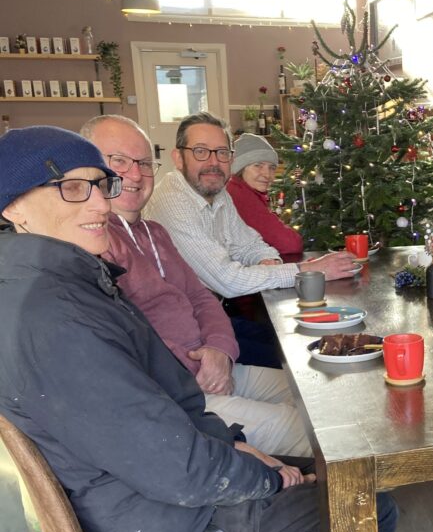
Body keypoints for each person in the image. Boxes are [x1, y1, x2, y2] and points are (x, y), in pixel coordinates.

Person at [0, 126, 397, 532]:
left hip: (136, 497)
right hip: (155, 528)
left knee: (312, 468)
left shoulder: (51, 282)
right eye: (72, 188)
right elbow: (175, 467)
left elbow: (162, 413)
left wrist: (233, 444)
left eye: (101, 185)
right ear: (13, 205)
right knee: (366, 505)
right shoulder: (55, 316)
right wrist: (260, 473)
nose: (102, 201)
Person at [81, 115, 311, 457]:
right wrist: (201, 366)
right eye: (118, 162)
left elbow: (201, 297)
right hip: (182, 392)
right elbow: (126, 342)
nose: (134, 174)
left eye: (143, 163)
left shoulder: (154, 232)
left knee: (313, 394)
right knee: (315, 431)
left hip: (213, 361)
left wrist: (220, 351)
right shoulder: (93, 244)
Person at [146, 111, 356, 298]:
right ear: (179, 159)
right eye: (200, 151)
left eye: (222, 153)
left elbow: (249, 245)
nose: (213, 163)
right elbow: (228, 281)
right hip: (184, 327)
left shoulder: (218, 193)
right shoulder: (172, 201)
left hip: (213, 312)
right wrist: (309, 271)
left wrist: (268, 260)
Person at [227, 133, 304, 256]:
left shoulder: (239, 190)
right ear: (239, 168)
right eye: (258, 165)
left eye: (272, 168)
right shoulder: (242, 196)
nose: (267, 174)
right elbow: (290, 243)